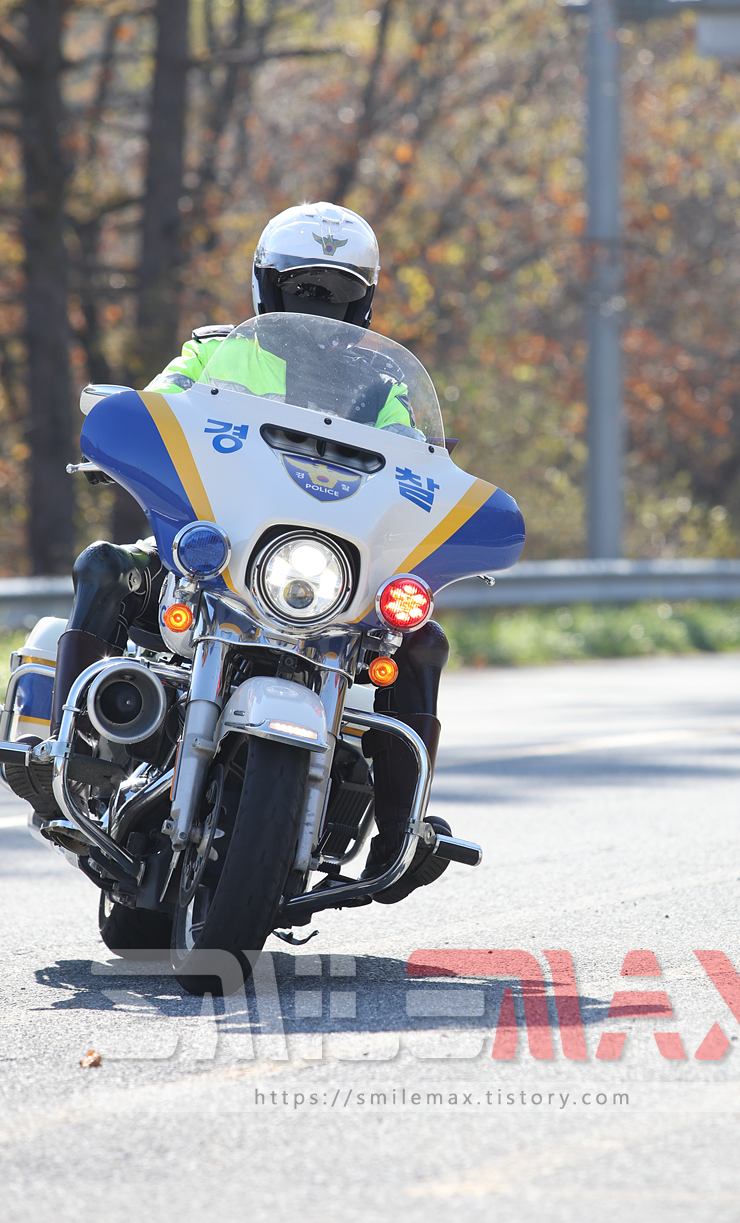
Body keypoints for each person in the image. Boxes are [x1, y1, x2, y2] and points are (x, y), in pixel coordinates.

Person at [49, 201, 451, 903]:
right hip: (211, 552)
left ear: (363, 300)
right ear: (269, 286)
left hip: (323, 570)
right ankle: (71, 752)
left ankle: (399, 834)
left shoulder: (384, 390)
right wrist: (128, 423)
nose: (319, 304)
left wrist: (444, 494)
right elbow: (158, 406)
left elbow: (421, 465)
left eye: (338, 291)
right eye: (304, 287)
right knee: (105, 567)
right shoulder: (215, 351)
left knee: (420, 640)